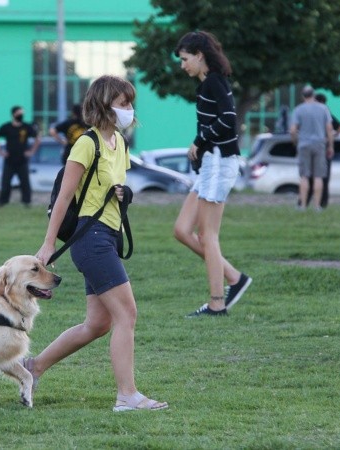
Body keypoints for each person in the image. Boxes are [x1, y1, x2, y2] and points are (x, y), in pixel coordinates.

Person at [29, 75, 168, 412]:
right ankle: (127, 395)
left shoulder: (119, 142)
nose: (129, 109)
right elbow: (64, 198)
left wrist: (124, 194)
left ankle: (32, 368)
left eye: (130, 102)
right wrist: (48, 243)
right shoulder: (86, 143)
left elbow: (111, 187)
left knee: (98, 324)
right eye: (123, 103)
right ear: (104, 104)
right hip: (91, 240)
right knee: (127, 315)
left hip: (108, 236)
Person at [173, 30, 252, 317]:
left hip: (220, 163)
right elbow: (215, 121)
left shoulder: (215, 82)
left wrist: (200, 141)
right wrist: (199, 148)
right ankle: (234, 277)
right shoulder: (206, 84)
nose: (183, 65)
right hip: (210, 164)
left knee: (208, 236)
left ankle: (217, 303)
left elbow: (229, 120)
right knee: (182, 230)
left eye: (185, 59)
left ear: (199, 55)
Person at [290, 85, 334, 211]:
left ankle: (303, 206)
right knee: (318, 176)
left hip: (303, 144)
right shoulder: (323, 109)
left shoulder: (298, 109)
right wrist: (331, 146)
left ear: (302, 96)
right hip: (320, 144)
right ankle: (317, 206)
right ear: (313, 95)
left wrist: (295, 141)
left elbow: (292, 130)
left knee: (304, 176)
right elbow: (329, 129)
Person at [0, 106, 40, 207]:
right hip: (9, 159)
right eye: (19, 113)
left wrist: (32, 151)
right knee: (5, 183)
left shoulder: (26, 127)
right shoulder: (7, 127)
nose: (21, 115)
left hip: (22, 160)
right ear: (14, 114)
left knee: (25, 183)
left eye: (22, 113)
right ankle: (2, 203)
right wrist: (0, 151)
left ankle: (26, 202)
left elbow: (37, 138)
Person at [306, 93, 340, 208]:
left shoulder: (321, 113)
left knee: (312, 177)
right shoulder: (325, 113)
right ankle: (321, 203)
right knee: (323, 177)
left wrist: (329, 138)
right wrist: (330, 138)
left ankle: (306, 202)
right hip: (324, 147)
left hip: (316, 147)